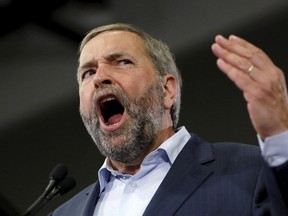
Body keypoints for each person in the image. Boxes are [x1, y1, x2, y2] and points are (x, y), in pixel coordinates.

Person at [48, 23, 288, 216]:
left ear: (167, 91)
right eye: (88, 73)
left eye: (122, 62)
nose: (99, 77)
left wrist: (279, 132)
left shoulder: (249, 171)